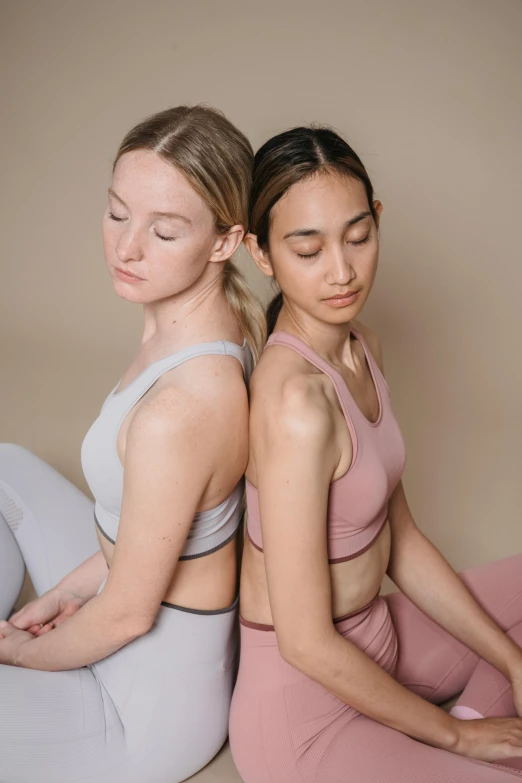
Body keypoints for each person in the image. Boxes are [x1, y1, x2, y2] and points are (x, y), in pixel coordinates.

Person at [229, 125, 522, 782]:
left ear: (377, 220)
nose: (342, 270)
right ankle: (457, 736)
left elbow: (403, 539)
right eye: (308, 249)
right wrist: (459, 738)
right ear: (262, 252)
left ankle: (464, 725)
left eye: (358, 237)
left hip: (381, 639)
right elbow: (305, 641)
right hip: (306, 709)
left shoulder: (363, 346)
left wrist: (512, 661)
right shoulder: (296, 404)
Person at [0, 104, 264, 783]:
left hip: (138, 710)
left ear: (224, 241)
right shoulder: (188, 317)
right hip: (129, 602)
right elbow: (150, 530)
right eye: (118, 213)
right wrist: (61, 592)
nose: (127, 246)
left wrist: (18, 653)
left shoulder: (181, 408)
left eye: (164, 229)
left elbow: (125, 614)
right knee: (5, 465)